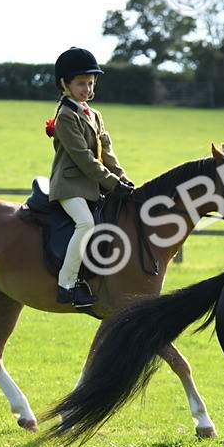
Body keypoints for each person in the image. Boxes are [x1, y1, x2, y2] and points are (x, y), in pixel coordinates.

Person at [46, 47, 134, 308]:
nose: (87, 89)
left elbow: (107, 153)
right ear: (65, 84)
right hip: (69, 184)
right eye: (81, 84)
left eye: (91, 83)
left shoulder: (95, 115)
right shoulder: (65, 116)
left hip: (93, 183)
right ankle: (66, 284)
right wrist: (112, 183)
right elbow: (84, 158)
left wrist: (124, 180)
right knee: (86, 223)